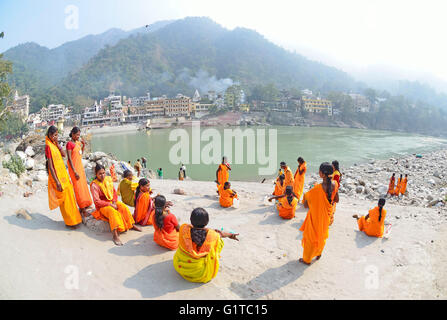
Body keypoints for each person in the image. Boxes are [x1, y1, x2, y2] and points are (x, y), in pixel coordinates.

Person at [173, 208, 239, 283]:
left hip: (180, 265)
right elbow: (219, 235)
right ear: (207, 222)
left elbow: (194, 230)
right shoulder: (213, 235)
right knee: (219, 242)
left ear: (191, 219)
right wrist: (229, 235)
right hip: (200, 273)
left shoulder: (183, 228)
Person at [90, 164, 142, 246]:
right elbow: (97, 201)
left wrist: (114, 201)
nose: (102, 175)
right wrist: (109, 204)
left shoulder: (108, 179)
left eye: (103, 173)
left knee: (123, 207)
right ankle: (115, 235)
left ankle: (131, 225)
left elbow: (114, 192)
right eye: (100, 174)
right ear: (96, 174)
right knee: (112, 212)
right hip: (102, 205)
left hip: (112, 201)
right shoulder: (94, 185)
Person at [299, 162, 339, 265]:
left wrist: (310, 194)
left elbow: (305, 205)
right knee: (322, 235)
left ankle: (307, 259)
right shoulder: (335, 184)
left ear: (321, 174)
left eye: (319, 171)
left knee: (311, 237)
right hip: (327, 217)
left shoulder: (316, 189)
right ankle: (318, 253)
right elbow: (336, 199)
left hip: (316, 218)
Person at [45, 126, 83, 228]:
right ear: (49, 134)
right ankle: (70, 222)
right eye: (53, 135)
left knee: (70, 194)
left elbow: (63, 155)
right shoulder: (48, 146)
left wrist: (57, 144)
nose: (55, 137)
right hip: (57, 177)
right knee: (64, 198)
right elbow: (51, 166)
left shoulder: (54, 144)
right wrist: (57, 181)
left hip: (63, 175)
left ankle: (75, 219)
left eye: (56, 135)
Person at [66, 126, 92, 217]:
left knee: (83, 186)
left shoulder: (78, 143)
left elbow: (80, 154)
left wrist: (84, 146)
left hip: (79, 167)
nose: (78, 136)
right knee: (78, 188)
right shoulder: (69, 144)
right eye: (77, 135)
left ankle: (86, 204)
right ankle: (82, 208)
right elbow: (69, 158)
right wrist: (74, 171)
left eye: (79, 135)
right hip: (74, 169)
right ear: (72, 134)